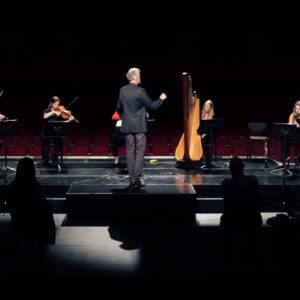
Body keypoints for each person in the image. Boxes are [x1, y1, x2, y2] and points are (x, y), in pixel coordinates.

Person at [116, 67, 167, 190]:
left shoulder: (122, 90)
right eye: (139, 75)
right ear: (135, 76)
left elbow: (118, 108)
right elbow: (152, 105)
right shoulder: (140, 91)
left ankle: (131, 178)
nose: (140, 76)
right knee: (139, 152)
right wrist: (161, 99)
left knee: (129, 152)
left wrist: (127, 116)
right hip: (139, 126)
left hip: (127, 126)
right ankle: (136, 178)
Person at [7, 157, 56, 274]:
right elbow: (43, 208)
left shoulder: (12, 187)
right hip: (32, 220)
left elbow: (10, 206)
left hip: (18, 220)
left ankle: (18, 252)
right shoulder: (36, 187)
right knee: (42, 217)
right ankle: (40, 249)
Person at [220, 156, 262, 275]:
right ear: (243, 167)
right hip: (251, 219)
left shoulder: (226, 184)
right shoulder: (253, 181)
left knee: (226, 219)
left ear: (230, 169)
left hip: (232, 220)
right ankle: (253, 256)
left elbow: (226, 203)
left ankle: (226, 258)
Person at [41, 96, 75, 164]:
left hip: (56, 131)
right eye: (55, 104)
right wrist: (53, 112)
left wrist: (69, 119)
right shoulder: (46, 110)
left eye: (58, 104)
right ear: (51, 103)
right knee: (45, 142)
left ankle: (55, 157)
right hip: (47, 131)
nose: (57, 106)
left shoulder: (60, 111)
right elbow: (44, 116)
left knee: (60, 142)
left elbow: (64, 120)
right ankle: (46, 158)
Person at [276, 100, 300, 168]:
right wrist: (293, 124)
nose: (298, 110)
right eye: (297, 108)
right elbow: (290, 127)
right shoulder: (292, 115)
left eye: (299, 108)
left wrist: (298, 125)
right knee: (284, 141)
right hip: (294, 136)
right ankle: (281, 162)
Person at [198, 99, 215, 166]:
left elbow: (211, 128)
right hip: (200, 132)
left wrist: (205, 134)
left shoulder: (213, 116)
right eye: (205, 106)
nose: (206, 108)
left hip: (208, 134)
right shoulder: (200, 114)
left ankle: (207, 158)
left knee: (204, 141)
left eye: (208, 107)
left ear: (211, 108)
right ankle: (198, 157)